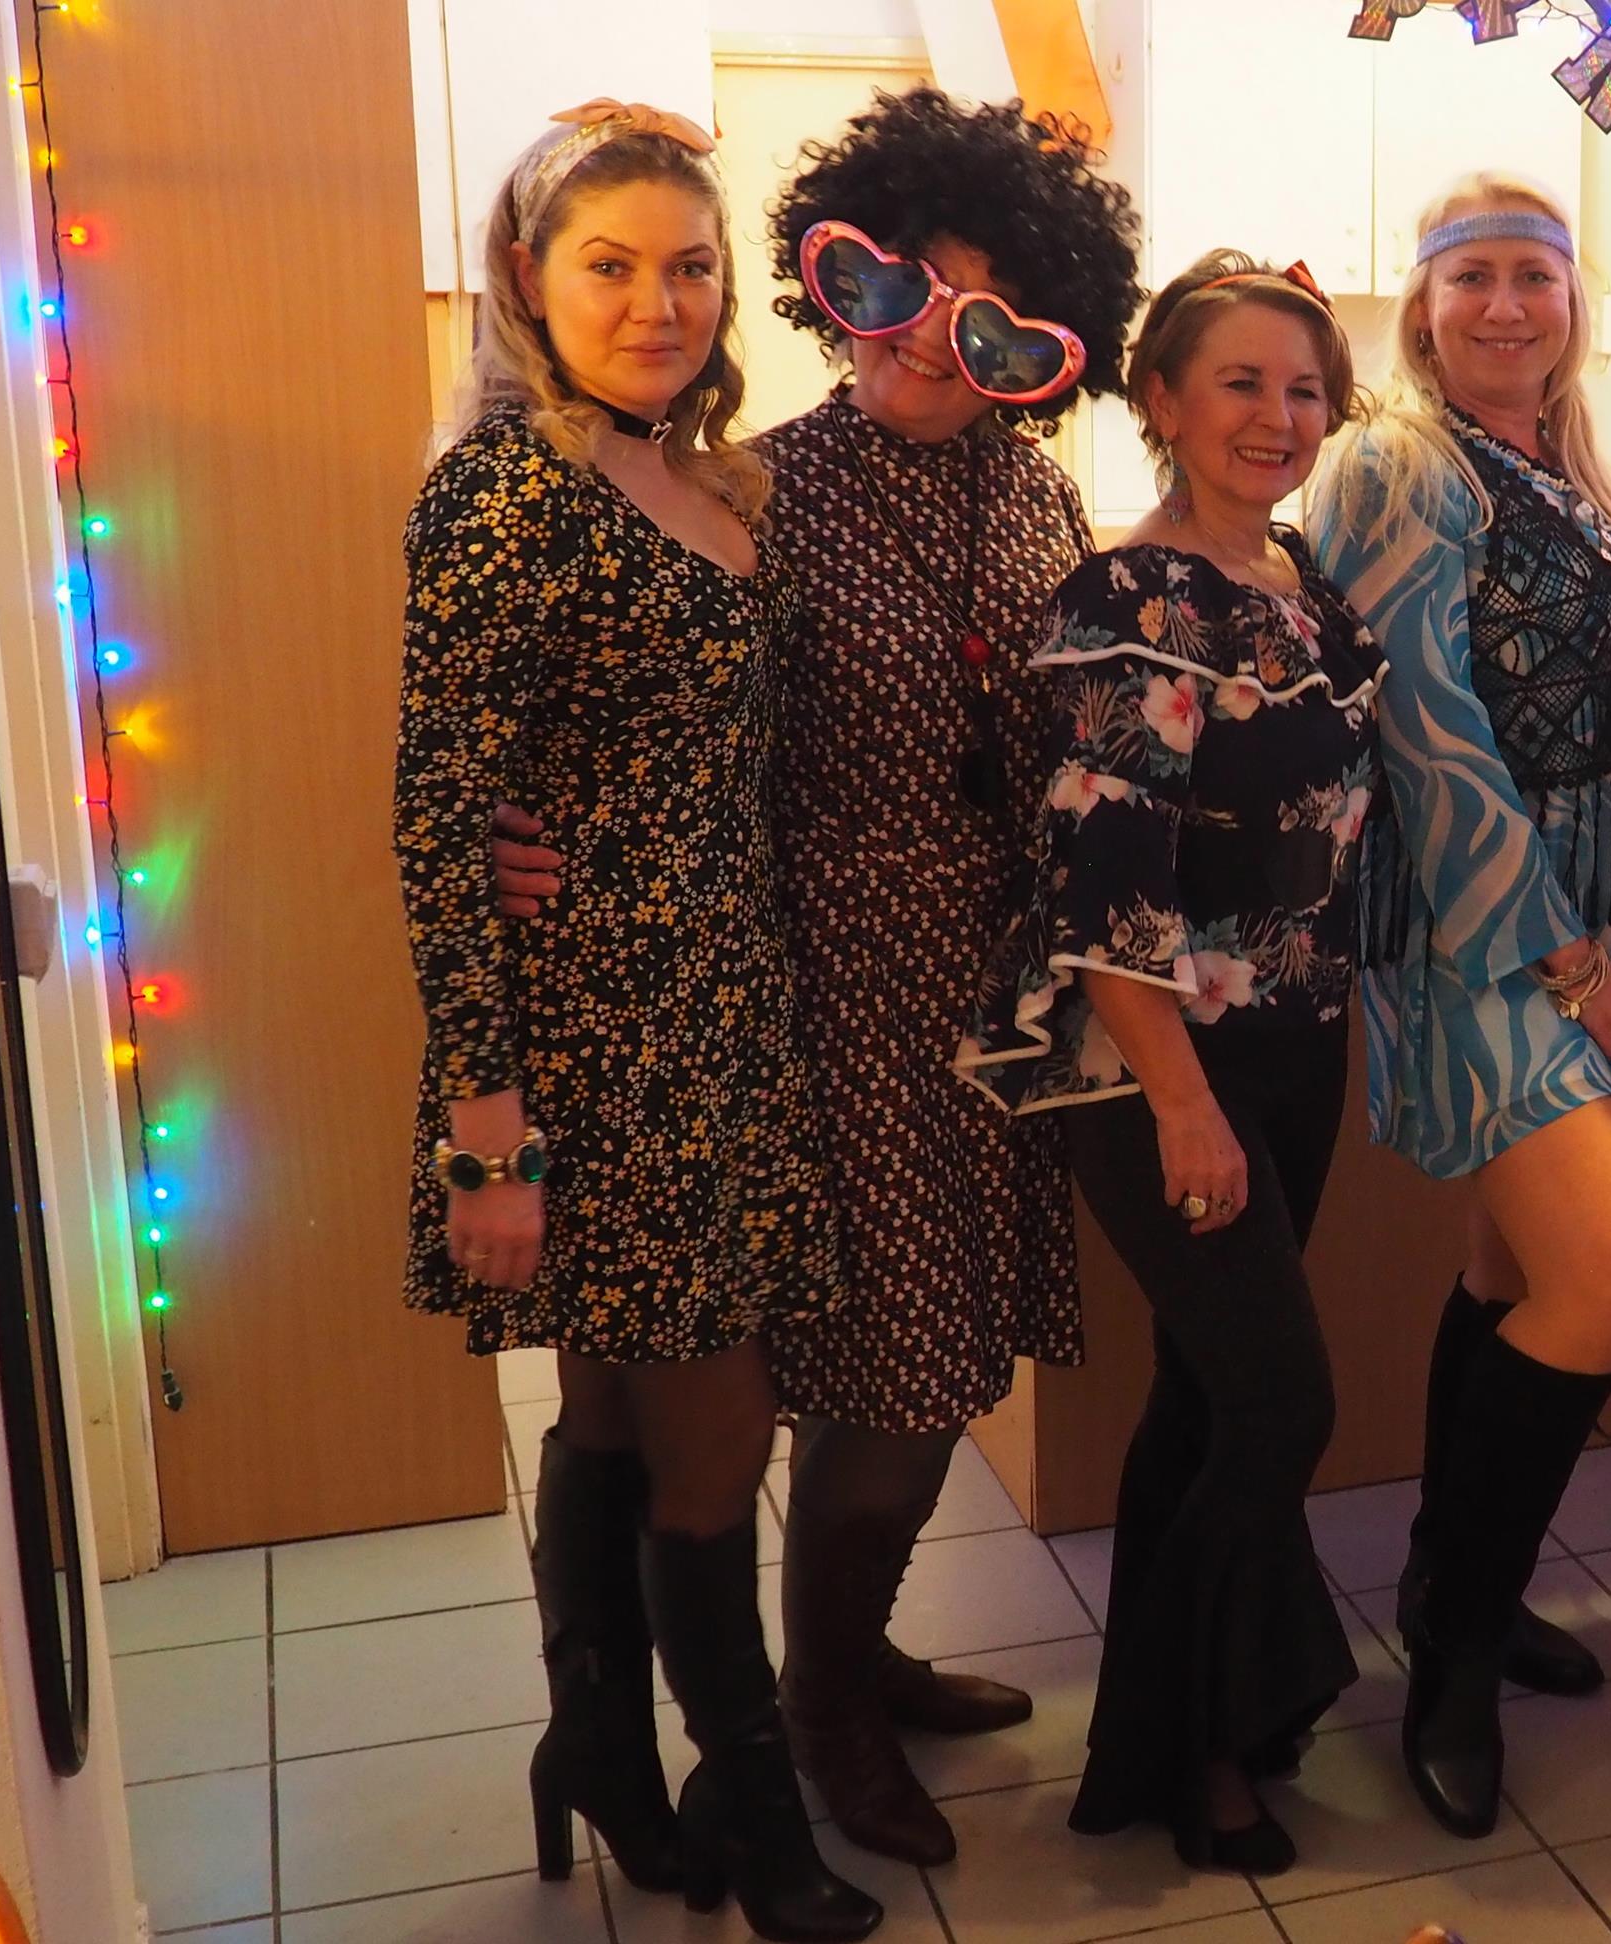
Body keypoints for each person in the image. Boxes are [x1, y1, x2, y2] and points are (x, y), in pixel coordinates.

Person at [488, 91, 1145, 1868]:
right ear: (833, 282)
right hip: (807, 990)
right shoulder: (751, 490)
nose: (933, 339)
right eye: (901, 287)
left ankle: (849, 1653)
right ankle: (818, 1714)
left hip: (985, 996)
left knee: (930, 1357)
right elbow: (621, 723)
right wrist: (523, 829)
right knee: (872, 1369)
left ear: (1045, 346)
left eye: (992, 318)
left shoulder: (1040, 492)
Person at [396, 106, 879, 1940]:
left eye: (689, 266)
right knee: (720, 1432)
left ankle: (595, 1744)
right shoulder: (500, 493)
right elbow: (441, 821)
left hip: (725, 1015)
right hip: (598, 1044)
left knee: (614, 1402)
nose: (657, 303)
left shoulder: (703, 475)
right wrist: (486, 1130)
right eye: (610, 266)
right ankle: (756, 1818)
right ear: (528, 279)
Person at [957, 251, 1384, 1875]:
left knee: (1208, 1399)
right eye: (1242, 383)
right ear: (1162, 402)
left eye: (1305, 388)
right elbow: (1104, 882)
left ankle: (1147, 1742)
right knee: (1281, 1401)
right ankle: (1211, 1742)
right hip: (1159, 1065)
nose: (1280, 416)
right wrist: (1183, 1105)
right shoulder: (1125, 599)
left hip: (1293, 1040)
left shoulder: (1303, 587)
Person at [1303, 174, 1611, 1839]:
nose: (1508, 305)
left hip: (1593, 912)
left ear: (1575, 300)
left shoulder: (1570, 466)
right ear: (1423, 306)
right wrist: (1572, 962)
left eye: (1536, 274)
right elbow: (1427, 736)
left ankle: (1455, 1581)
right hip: (1480, 932)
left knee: (1513, 1269)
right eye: (1474, 279)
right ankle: (1451, 1652)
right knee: (1609, 1278)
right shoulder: (1397, 459)